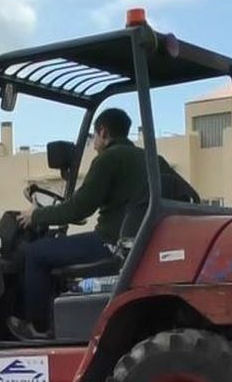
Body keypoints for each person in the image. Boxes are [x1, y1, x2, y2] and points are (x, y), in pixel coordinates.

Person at [9, 107, 148, 340]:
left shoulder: (108, 159)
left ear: (103, 132)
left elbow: (78, 208)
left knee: (35, 253)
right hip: (138, 243)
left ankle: (38, 327)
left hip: (110, 243)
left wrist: (35, 216)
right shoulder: (150, 159)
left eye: (94, 137)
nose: (94, 144)